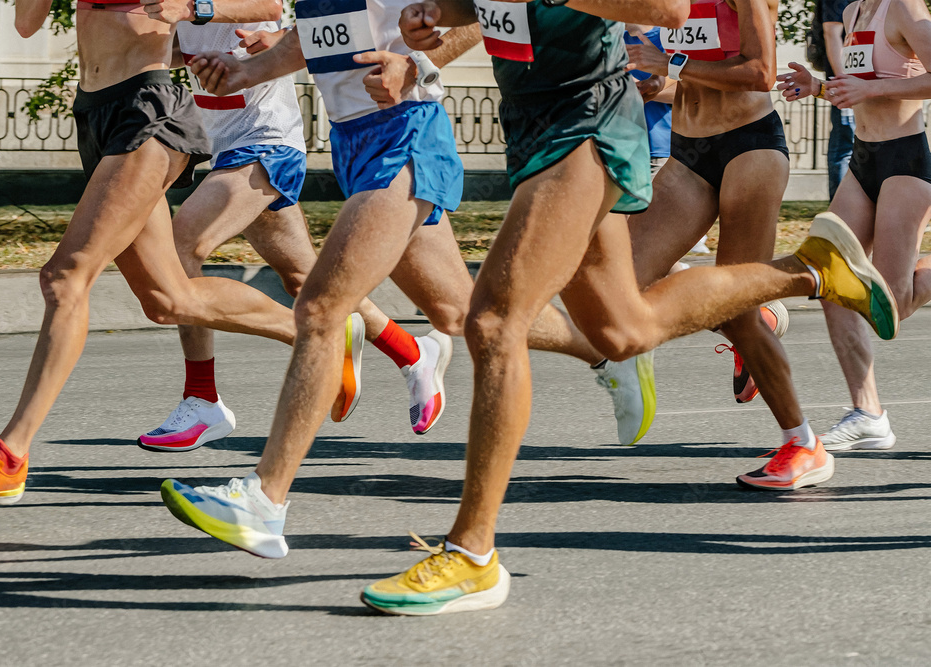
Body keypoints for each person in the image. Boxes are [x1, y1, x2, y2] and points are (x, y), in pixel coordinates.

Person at [349, 0, 898, 616]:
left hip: (590, 127)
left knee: (493, 320)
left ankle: (473, 553)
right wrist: (426, 38)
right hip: (548, 127)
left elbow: (664, 9)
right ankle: (812, 271)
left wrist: (669, 63)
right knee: (621, 328)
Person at [153, 0, 614, 563]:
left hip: (407, 132)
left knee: (321, 308)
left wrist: (418, 66)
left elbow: (480, 12)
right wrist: (249, 71)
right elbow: (317, 34)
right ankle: (606, 348)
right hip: (356, 140)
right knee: (462, 313)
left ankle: (262, 500)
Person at [0, 0, 366, 509]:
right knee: (168, 298)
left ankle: (9, 458)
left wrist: (198, 11)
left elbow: (267, 3)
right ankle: (316, 337)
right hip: (96, 110)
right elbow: (27, 24)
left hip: (148, 110)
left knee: (64, 277)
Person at [140, 19, 459, 452]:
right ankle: (413, 353)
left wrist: (196, 6)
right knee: (308, 279)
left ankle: (203, 398)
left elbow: (267, 6)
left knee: (180, 248)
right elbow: (179, 49)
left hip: (264, 145)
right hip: (227, 147)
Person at [625, 0, 812, 492]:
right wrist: (658, 85)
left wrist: (672, 65)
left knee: (735, 302)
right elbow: (693, 76)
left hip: (749, 147)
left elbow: (760, 72)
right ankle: (750, 317)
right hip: (689, 156)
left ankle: (802, 443)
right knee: (621, 283)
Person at [779, 0, 931, 451]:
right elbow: (857, 88)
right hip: (864, 162)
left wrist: (873, 91)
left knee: (892, 305)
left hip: (905, 161)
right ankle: (869, 414)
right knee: (832, 279)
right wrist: (818, 88)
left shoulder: (904, 7)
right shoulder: (851, 13)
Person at [814, 0, 858, 199]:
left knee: (854, 143)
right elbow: (831, 33)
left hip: (860, 83)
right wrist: (843, 80)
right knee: (845, 144)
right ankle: (841, 209)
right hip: (849, 82)